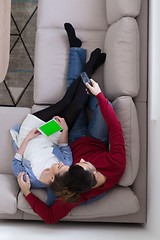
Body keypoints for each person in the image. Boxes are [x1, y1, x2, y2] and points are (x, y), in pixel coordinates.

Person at [11, 23, 106, 206]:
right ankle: (89, 66)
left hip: (32, 133)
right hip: (49, 134)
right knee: (76, 104)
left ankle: (88, 62)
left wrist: (27, 139)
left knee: (64, 102)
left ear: (52, 178)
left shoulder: (34, 179)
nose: (64, 164)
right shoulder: (67, 166)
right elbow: (63, 144)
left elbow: (17, 162)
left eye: (60, 166)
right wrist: (63, 128)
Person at [17, 72, 126, 224]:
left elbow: (50, 217)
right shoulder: (116, 165)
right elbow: (115, 128)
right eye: (85, 163)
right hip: (96, 139)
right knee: (107, 106)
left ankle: (76, 54)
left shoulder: (73, 188)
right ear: (95, 174)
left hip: (73, 139)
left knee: (75, 102)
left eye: (77, 163)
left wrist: (26, 192)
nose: (81, 159)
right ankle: (90, 93)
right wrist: (99, 95)